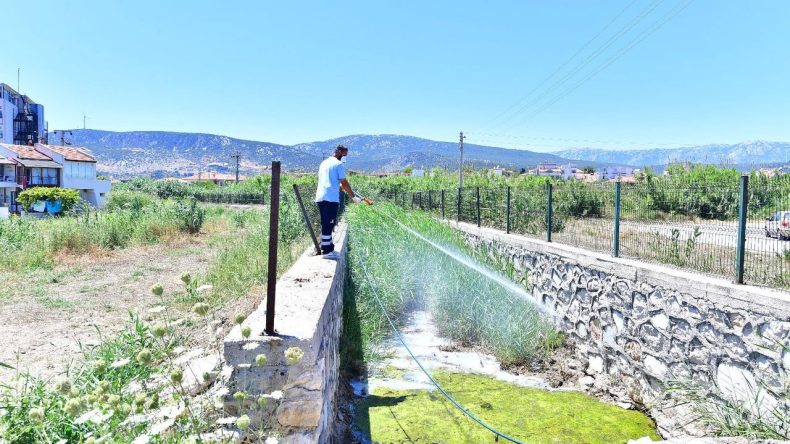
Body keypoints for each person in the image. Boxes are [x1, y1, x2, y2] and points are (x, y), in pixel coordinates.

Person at [315, 145, 371, 259]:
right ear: (340, 152)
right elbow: (344, 183)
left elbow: (331, 181)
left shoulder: (324, 163)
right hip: (330, 198)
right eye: (345, 155)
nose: (345, 158)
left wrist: (339, 186)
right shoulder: (338, 164)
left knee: (326, 223)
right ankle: (326, 251)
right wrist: (353, 197)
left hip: (321, 197)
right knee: (328, 224)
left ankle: (329, 247)